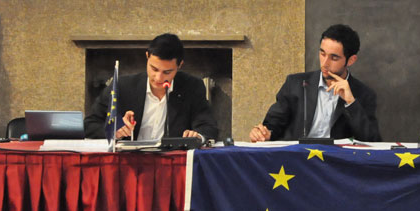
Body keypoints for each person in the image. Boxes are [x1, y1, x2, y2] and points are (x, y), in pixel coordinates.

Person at [250, 24, 381, 142]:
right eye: (322, 54)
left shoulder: (363, 94)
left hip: (336, 163)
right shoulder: (295, 84)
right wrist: (263, 133)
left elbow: (372, 141)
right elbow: (272, 126)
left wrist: (350, 102)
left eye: (334, 58)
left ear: (351, 60)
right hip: (297, 160)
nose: (325, 63)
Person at [84, 33, 218, 141]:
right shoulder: (123, 86)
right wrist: (115, 130)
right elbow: (89, 124)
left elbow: (208, 126)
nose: (158, 78)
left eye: (167, 72)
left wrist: (197, 136)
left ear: (180, 65)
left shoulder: (192, 87)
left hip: (172, 162)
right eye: (154, 69)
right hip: (129, 162)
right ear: (147, 56)